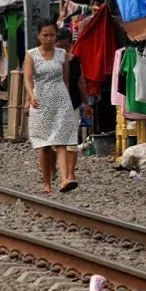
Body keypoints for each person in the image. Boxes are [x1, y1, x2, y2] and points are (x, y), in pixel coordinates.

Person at [24, 19, 80, 194]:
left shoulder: (62, 54)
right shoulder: (31, 54)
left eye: (52, 35)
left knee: (61, 141)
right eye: (45, 35)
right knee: (45, 145)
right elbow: (27, 78)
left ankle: (64, 180)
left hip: (60, 100)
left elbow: (66, 79)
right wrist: (31, 96)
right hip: (41, 100)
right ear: (39, 36)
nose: (48, 39)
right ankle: (47, 182)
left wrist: (68, 100)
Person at [55, 28, 92, 185]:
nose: (63, 50)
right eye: (60, 46)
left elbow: (81, 82)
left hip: (72, 105)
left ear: (71, 45)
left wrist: (86, 103)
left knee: (71, 141)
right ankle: (60, 171)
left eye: (66, 47)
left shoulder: (75, 61)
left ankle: (70, 175)